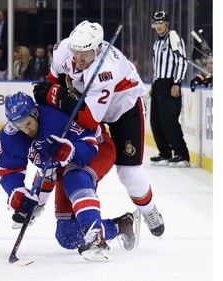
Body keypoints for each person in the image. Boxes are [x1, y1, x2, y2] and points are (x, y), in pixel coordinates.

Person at [32, 20, 165, 237]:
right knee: (65, 158)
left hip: (124, 109)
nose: (78, 58)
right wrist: (54, 96)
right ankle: (44, 199)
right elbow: (51, 84)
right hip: (88, 105)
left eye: (85, 53)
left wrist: (58, 97)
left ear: (99, 48)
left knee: (128, 173)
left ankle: (149, 210)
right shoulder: (62, 50)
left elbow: (89, 120)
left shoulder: (105, 70)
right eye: (75, 51)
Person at [0, 91, 139, 261]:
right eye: (20, 126)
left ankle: (95, 238)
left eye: (28, 123)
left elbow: (89, 144)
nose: (26, 130)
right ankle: (120, 225)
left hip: (97, 150)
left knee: (74, 177)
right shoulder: (10, 136)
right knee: (68, 236)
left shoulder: (55, 119)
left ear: (35, 113)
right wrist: (17, 193)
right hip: (62, 165)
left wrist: (69, 151)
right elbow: (9, 170)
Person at [149, 11, 190, 167]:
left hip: (170, 84)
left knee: (170, 121)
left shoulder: (173, 38)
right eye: (156, 23)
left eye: (161, 23)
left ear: (167, 24)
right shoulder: (157, 43)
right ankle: (165, 153)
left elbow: (182, 62)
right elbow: (156, 66)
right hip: (159, 84)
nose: (159, 26)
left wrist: (176, 83)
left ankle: (182, 155)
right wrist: (154, 83)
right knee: (156, 121)